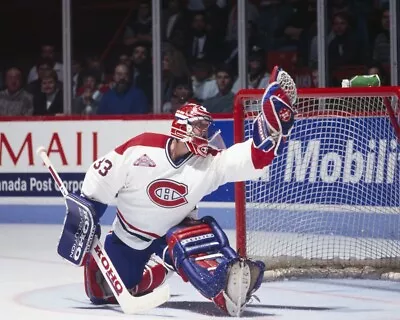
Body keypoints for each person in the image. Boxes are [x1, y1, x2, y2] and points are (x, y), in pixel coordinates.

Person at [58, 71, 296, 316]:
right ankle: (159, 267)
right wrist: (89, 214)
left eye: (206, 127)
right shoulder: (142, 147)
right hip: (129, 237)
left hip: (176, 234)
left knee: (186, 244)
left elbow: (250, 159)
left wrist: (269, 134)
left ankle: (224, 286)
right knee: (101, 293)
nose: (204, 132)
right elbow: (101, 178)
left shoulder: (210, 162)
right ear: (181, 126)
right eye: (199, 126)